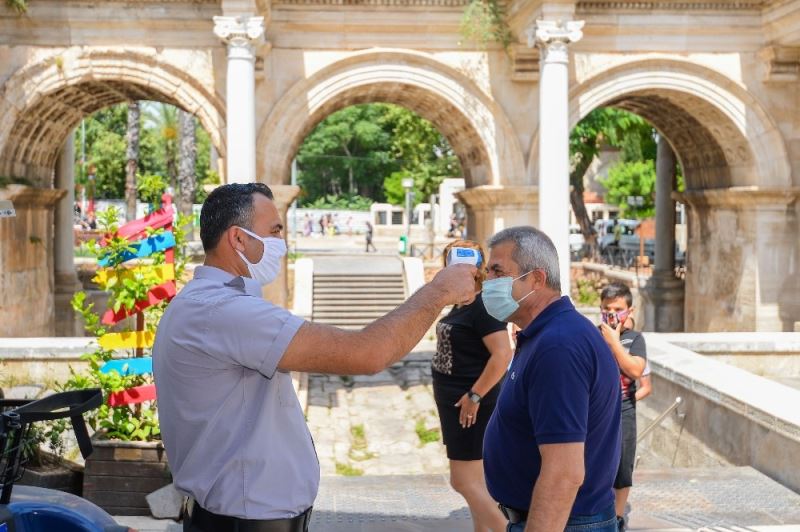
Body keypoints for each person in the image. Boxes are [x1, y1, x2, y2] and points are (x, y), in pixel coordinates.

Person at [151, 183, 477, 532]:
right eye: (274, 231)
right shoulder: (226, 312)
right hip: (245, 521)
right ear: (238, 239)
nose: (283, 243)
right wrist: (437, 292)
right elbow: (366, 354)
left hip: (238, 516)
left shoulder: (205, 303)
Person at [481, 226, 621, 532]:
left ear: (537, 279)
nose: (486, 282)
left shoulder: (558, 347)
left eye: (497, 271)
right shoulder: (545, 335)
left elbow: (564, 474)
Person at [432, 240, 513, 532]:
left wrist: (475, 395)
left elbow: (503, 354)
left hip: (469, 405)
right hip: (458, 403)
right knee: (477, 482)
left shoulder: (482, 306)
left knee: (462, 480)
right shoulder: (462, 303)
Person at [597, 282, 647, 532]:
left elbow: (636, 370)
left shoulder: (634, 339)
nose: (612, 313)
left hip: (624, 408)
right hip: (596, 413)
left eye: (617, 308)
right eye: (607, 308)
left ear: (629, 310)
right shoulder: (593, 335)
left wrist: (615, 342)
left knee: (623, 466)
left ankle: (616, 517)